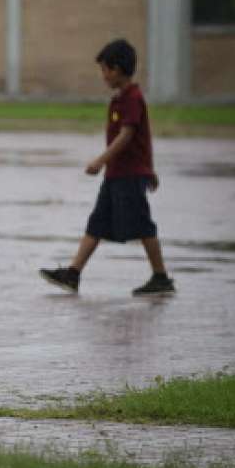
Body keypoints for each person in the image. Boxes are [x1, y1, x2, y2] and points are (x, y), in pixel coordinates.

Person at [39, 39, 175, 296]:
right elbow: (142, 138)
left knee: (143, 226)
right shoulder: (120, 100)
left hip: (130, 176)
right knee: (97, 223)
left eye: (105, 70)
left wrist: (101, 160)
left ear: (119, 69)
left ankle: (161, 278)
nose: (103, 75)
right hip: (116, 175)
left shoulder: (133, 99)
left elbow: (128, 136)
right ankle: (73, 274)